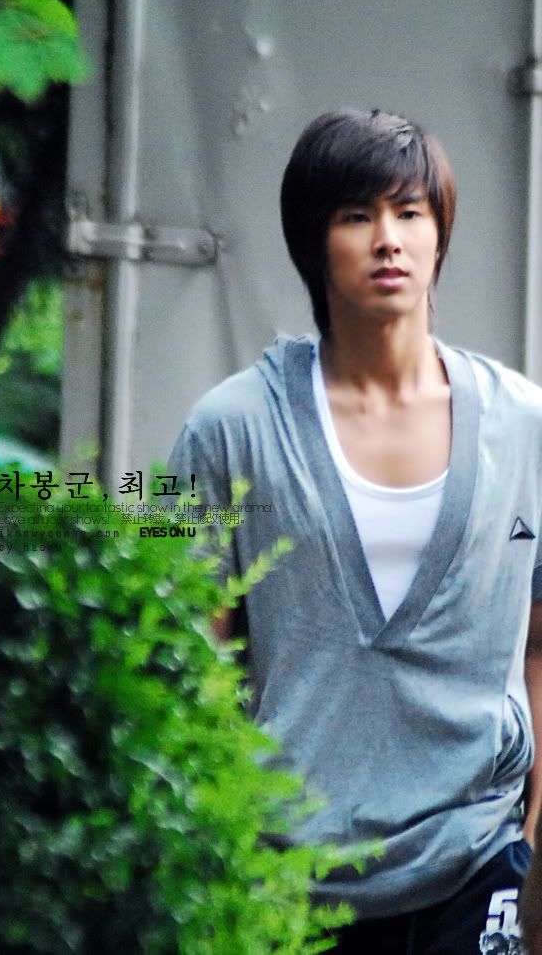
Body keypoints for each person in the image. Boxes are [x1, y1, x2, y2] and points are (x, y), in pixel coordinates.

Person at [169, 108, 542, 953]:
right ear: (314, 243)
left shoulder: (524, 426)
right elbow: (194, 659)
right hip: (288, 874)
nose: (387, 240)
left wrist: (537, 838)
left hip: (479, 857)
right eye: (355, 215)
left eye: (410, 212)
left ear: (440, 235)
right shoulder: (233, 429)